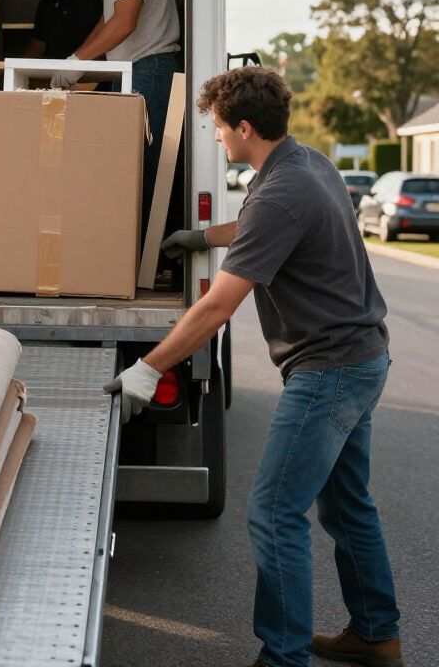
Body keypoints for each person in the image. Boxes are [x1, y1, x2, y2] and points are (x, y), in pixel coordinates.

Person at [106, 67, 401, 667]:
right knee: (346, 507)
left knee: (273, 511)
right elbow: (259, 227)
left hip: (329, 368)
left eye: (218, 128)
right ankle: (377, 635)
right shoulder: (306, 164)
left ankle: (282, 658)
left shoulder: (281, 193)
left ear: (244, 128)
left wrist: (150, 367)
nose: (215, 138)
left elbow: (218, 305)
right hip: (363, 356)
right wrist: (203, 237)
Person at [54, 0, 181, 234]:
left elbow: (125, 22)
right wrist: (75, 62)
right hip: (133, 70)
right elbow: (108, 22)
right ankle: (126, 259)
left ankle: (138, 262)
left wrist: (76, 63)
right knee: (126, 167)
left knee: (140, 169)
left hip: (149, 70)